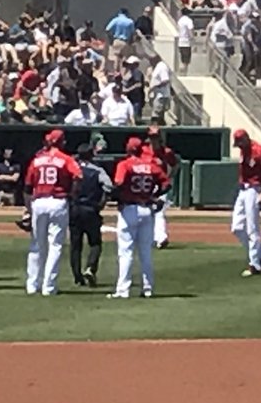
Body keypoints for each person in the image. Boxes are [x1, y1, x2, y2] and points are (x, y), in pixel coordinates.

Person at [107, 137, 169, 300]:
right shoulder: (150, 165)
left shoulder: (124, 164)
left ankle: (123, 290)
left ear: (128, 149)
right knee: (145, 252)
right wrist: (154, 196)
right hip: (146, 208)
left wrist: (117, 197)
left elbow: (118, 184)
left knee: (126, 251)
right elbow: (166, 184)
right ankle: (148, 289)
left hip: (130, 208)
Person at [23, 129, 82, 296]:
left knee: (36, 244)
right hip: (57, 200)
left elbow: (27, 187)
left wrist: (28, 209)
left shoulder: (37, 160)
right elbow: (78, 176)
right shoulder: (66, 159)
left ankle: (32, 285)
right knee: (55, 245)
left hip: (39, 201)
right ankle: (49, 287)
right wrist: (72, 194)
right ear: (62, 142)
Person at [231, 129, 261, 277]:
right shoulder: (243, 151)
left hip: (253, 190)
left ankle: (254, 264)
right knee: (236, 227)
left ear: (246, 139)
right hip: (242, 190)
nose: (239, 146)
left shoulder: (259, 151)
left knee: (252, 228)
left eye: (240, 142)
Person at [69, 142, 112, 287]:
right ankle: (90, 268)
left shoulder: (72, 169)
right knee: (95, 242)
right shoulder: (98, 171)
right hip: (91, 209)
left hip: (74, 209)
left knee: (75, 245)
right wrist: (102, 203)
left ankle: (77, 276)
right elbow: (109, 186)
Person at [142, 125, 179, 248]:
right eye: (152, 137)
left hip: (160, 185)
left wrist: (170, 178)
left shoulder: (166, 152)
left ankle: (161, 238)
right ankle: (151, 237)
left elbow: (175, 165)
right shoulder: (143, 151)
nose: (154, 140)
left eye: (156, 137)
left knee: (159, 211)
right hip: (146, 184)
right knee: (148, 212)